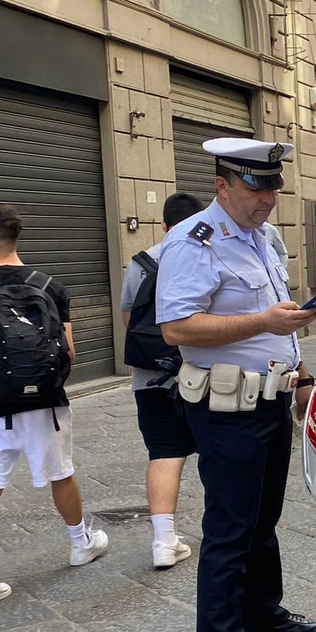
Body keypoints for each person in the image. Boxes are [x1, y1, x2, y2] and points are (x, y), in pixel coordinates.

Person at [156, 138, 316, 632]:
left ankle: (262, 616)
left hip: (270, 398)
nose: (268, 198)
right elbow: (178, 328)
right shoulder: (193, 242)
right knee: (230, 531)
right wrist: (262, 322)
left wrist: (301, 376)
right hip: (225, 407)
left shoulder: (260, 240)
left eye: (274, 186)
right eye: (257, 187)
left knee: (262, 522)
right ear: (222, 185)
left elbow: (277, 324)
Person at [0, 205, 109, 607]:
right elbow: (67, 351)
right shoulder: (51, 286)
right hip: (47, 404)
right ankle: (79, 543)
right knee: (61, 475)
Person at [120, 191, 205, 569]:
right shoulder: (204, 254)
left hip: (151, 376)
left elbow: (128, 319)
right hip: (203, 373)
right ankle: (221, 528)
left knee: (164, 453)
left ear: (163, 224)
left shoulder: (140, 262)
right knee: (217, 452)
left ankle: (164, 540)